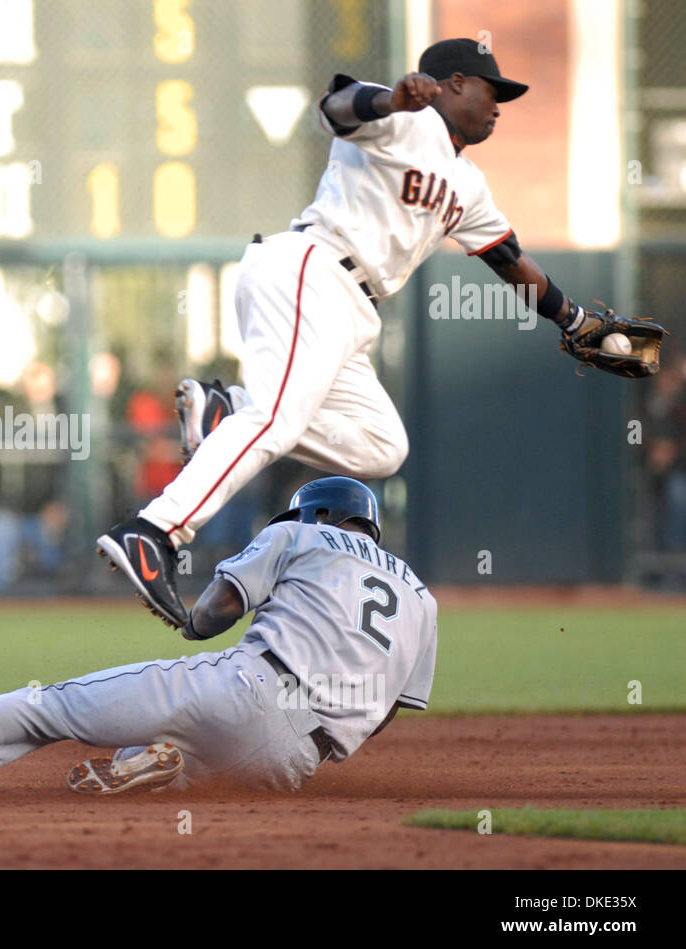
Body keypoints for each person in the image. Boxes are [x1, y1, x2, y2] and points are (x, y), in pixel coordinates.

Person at [94, 37, 660, 629]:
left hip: (351, 309)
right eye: (494, 90)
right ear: (454, 84)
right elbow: (337, 106)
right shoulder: (404, 123)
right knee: (276, 420)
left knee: (382, 445)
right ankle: (153, 531)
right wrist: (392, 98)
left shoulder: (469, 185)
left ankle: (223, 410)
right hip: (312, 267)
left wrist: (571, 320)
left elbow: (510, 259)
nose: (500, 105)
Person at [0, 475, 437, 796]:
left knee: (49, 707)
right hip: (297, 762)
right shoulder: (422, 600)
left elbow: (221, 608)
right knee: (209, 773)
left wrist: (186, 618)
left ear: (316, 511)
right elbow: (387, 715)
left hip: (244, 687)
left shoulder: (299, 533)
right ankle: (156, 761)